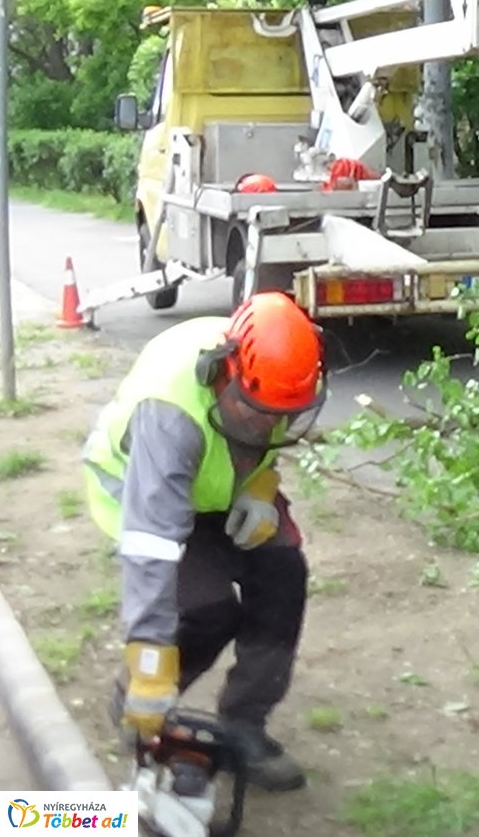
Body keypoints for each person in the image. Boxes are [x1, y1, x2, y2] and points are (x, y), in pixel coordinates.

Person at [82, 291, 328, 792]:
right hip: (144, 495)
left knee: (283, 578)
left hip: (220, 487)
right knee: (207, 609)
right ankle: (140, 698)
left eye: (277, 414)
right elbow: (153, 547)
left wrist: (261, 487)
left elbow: (264, 437)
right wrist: (149, 662)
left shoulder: (277, 373)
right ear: (223, 373)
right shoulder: (170, 413)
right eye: (254, 411)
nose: (265, 424)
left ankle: (245, 723)